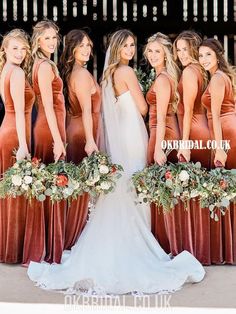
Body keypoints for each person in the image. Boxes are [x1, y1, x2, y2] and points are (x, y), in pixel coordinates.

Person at [27, 29, 205, 295]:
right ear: (118, 48)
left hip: (123, 131)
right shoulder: (127, 73)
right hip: (132, 132)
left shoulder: (108, 74)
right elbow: (144, 109)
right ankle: (134, 240)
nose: (131, 51)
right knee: (133, 186)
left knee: (126, 186)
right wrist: (149, 92)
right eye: (127, 46)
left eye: (134, 46)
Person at [22, 20, 66, 265]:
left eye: (54, 38)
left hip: (50, 126)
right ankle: (47, 248)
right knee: (52, 185)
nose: (52, 42)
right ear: (38, 40)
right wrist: (58, 140)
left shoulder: (41, 64)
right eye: (47, 38)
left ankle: (47, 245)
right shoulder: (45, 66)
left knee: (49, 186)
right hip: (49, 129)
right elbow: (47, 106)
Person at [172, 31, 212, 265]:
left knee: (192, 190)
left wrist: (184, 142)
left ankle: (195, 246)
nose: (181, 54)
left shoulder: (189, 72)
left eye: (185, 49)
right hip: (204, 129)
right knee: (202, 189)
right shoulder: (201, 71)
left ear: (195, 48)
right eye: (178, 50)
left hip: (194, 130)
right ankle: (204, 245)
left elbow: (187, 110)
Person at [59, 29, 101, 249]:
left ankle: (76, 234)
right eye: (81, 46)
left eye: (89, 45)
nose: (86, 50)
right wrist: (90, 140)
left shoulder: (73, 71)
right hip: (82, 132)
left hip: (75, 129)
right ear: (72, 48)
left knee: (80, 187)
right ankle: (80, 237)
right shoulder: (82, 75)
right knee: (84, 188)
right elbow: (86, 110)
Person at [200, 38, 236, 264]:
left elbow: (214, 114)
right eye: (201, 55)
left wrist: (220, 147)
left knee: (225, 188)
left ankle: (227, 249)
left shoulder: (216, 79)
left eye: (208, 55)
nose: (203, 60)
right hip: (229, 126)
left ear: (218, 56)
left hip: (224, 130)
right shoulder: (225, 76)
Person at [0, 29, 35, 263]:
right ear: (4, 50)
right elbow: (21, 113)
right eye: (15, 48)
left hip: (6, 128)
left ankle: (6, 245)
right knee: (16, 192)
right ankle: (14, 249)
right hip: (15, 133)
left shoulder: (4, 70)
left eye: (24, 49)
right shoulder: (18, 73)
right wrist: (23, 145)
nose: (20, 53)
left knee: (9, 192)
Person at [145, 32, 180, 253]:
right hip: (160, 131)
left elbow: (161, 115)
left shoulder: (163, 79)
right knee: (161, 188)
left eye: (158, 51)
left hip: (163, 133)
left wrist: (158, 148)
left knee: (162, 188)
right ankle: (163, 240)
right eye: (150, 50)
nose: (153, 55)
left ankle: (167, 242)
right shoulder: (160, 76)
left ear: (166, 54)